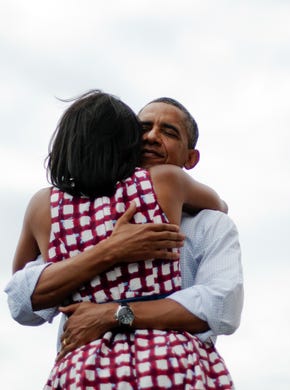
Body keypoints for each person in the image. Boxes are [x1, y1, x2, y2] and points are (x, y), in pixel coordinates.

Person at [10, 90, 240, 389]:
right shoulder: (166, 185)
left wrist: (115, 314)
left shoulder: (54, 212)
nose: (151, 137)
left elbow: (220, 306)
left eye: (168, 132)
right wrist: (111, 249)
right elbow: (22, 300)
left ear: (190, 157)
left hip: (86, 371)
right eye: (143, 128)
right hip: (169, 366)